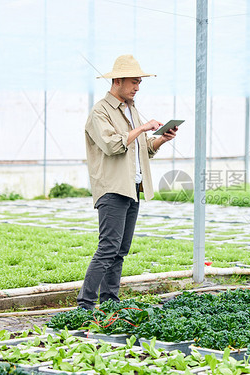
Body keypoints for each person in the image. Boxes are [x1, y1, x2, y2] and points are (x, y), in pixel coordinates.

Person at [77, 54, 177, 310]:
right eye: (134, 82)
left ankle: (110, 301)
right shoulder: (100, 111)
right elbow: (112, 145)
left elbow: (142, 148)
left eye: (140, 82)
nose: (137, 87)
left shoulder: (131, 110)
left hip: (132, 189)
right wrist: (142, 128)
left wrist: (161, 139)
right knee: (108, 247)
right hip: (112, 189)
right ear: (117, 81)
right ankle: (85, 304)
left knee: (121, 250)